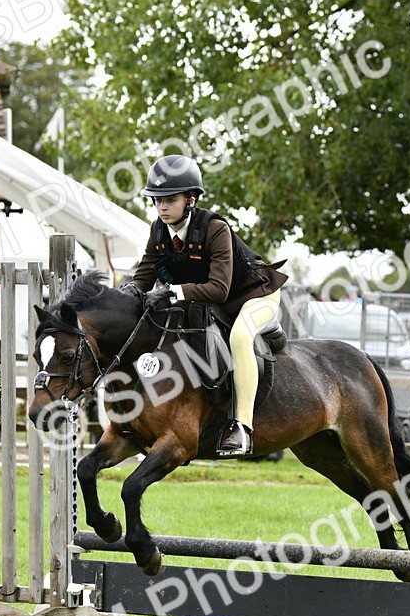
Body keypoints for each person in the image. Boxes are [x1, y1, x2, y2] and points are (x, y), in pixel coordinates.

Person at [122, 154, 287, 457]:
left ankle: (242, 427)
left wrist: (171, 291)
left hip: (255, 296)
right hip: (212, 303)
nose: (162, 207)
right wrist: (124, 297)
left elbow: (219, 290)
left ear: (191, 200)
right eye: (157, 200)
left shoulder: (215, 228)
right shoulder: (158, 231)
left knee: (239, 338)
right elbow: (143, 276)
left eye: (170, 199)